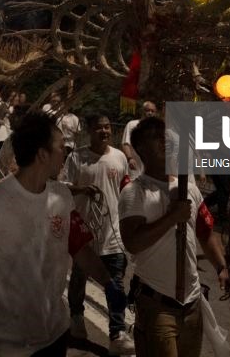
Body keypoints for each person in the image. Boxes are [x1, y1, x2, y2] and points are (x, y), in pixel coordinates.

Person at [0, 111, 127, 357]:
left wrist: (108, 283)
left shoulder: (62, 196)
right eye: (61, 147)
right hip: (9, 342)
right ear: (42, 154)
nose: (66, 153)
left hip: (55, 331)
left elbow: (80, 249)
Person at [118, 117, 229, 357]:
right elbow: (132, 243)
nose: (165, 142)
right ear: (141, 151)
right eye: (157, 139)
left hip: (192, 303)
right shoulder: (134, 192)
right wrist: (171, 217)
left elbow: (205, 232)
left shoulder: (189, 188)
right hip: (157, 305)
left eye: (166, 136)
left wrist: (221, 266)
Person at [63, 114, 135, 354]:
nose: (104, 131)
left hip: (113, 233)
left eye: (107, 127)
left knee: (115, 283)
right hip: (85, 234)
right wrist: (82, 190)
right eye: (98, 128)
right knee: (79, 279)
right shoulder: (76, 157)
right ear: (89, 131)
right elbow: (63, 187)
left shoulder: (119, 157)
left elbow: (125, 188)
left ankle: (117, 333)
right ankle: (76, 318)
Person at [121, 101, 159, 179]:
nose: (150, 113)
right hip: (134, 172)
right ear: (142, 111)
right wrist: (130, 158)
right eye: (147, 110)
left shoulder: (157, 130)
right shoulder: (132, 125)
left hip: (150, 175)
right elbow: (125, 143)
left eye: (152, 111)